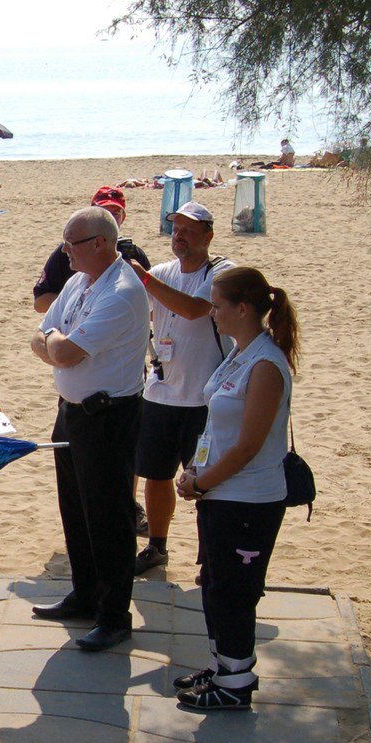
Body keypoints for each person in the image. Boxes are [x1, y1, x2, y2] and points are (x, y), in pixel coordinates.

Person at [174, 267, 299, 710]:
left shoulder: (266, 364)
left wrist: (202, 481)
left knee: (235, 592)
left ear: (242, 309)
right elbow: (218, 424)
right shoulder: (239, 352)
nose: (212, 312)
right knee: (213, 583)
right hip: (219, 493)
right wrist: (194, 471)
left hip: (248, 499)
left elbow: (249, 445)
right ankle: (223, 665)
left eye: (218, 304)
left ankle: (237, 683)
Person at [29, 207, 150, 652]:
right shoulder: (80, 281)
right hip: (73, 411)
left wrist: (57, 343)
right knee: (75, 508)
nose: (64, 253)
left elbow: (64, 351)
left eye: (71, 244)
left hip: (108, 416)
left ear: (101, 243)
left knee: (109, 516)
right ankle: (85, 593)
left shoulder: (120, 291)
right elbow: (40, 334)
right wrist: (56, 343)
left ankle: (115, 613)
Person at [128, 201, 234, 576]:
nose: (180, 236)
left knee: (207, 482)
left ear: (208, 236)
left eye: (189, 230)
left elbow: (194, 309)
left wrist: (144, 278)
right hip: (160, 393)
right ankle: (157, 547)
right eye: (176, 229)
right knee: (155, 475)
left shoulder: (221, 272)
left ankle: (212, 556)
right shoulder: (162, 272)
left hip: (206, 397)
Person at [32, 186, 150, 314]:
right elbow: (40, 303)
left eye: (115, 212)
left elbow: (151, 308)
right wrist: (83, 303)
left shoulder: (132, 254)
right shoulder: (70, 250)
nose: (109, 217)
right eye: (103, 212)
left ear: (123, 217)